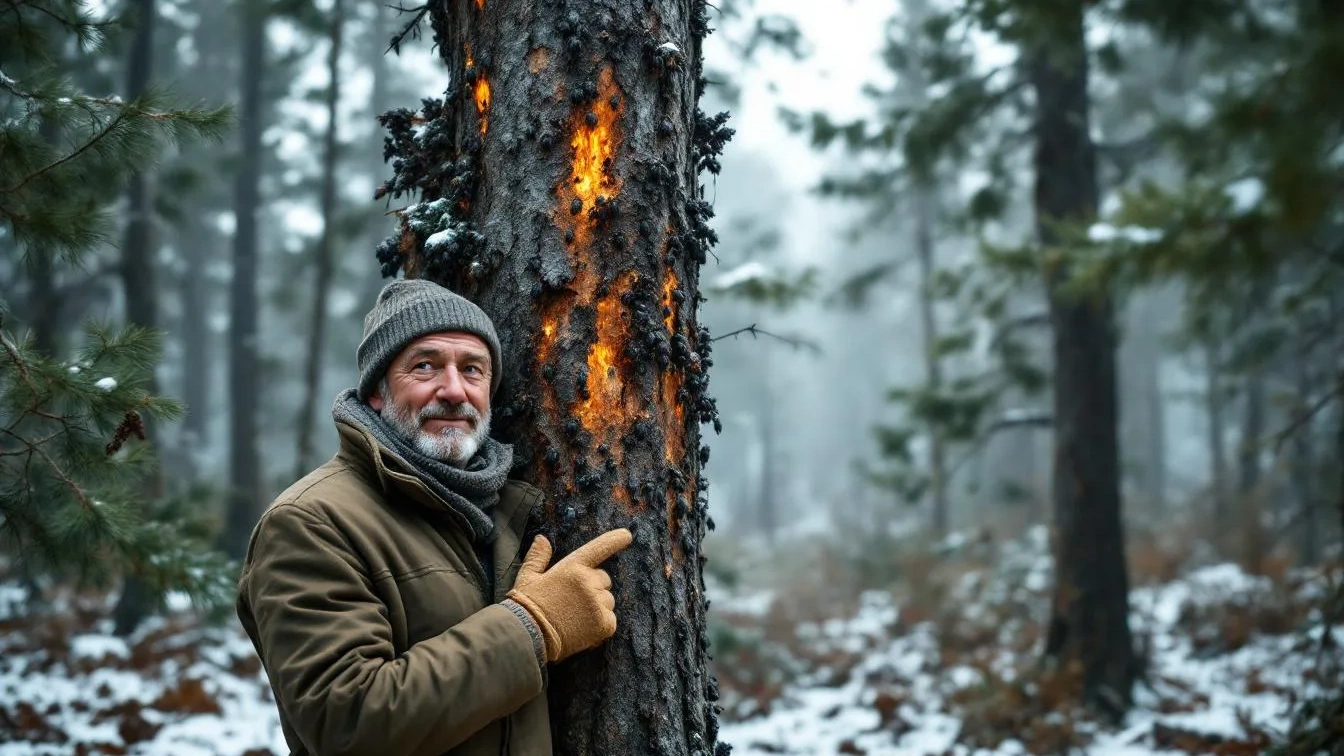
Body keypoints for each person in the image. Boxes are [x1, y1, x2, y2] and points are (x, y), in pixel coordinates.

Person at [236, 279, 632, 756]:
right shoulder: (310, 523)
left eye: (473, 370)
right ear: (377, 392)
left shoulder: (503, 512)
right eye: (425, 367)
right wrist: (533, 626)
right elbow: (347, 722)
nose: (453, 390)